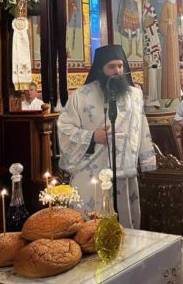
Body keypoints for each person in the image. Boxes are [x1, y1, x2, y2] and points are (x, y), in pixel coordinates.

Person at [57, 45, 156, 228]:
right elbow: (64, 127)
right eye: (111, 67)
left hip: (124, 173)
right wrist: (92, 137)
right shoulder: (81, 95)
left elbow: (142, 127)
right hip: (92, 172)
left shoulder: (135, 95)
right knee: (91, 227)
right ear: (100, 69)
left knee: (124, 225)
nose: (117, 71)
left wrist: (145, 161)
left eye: (120, 66)